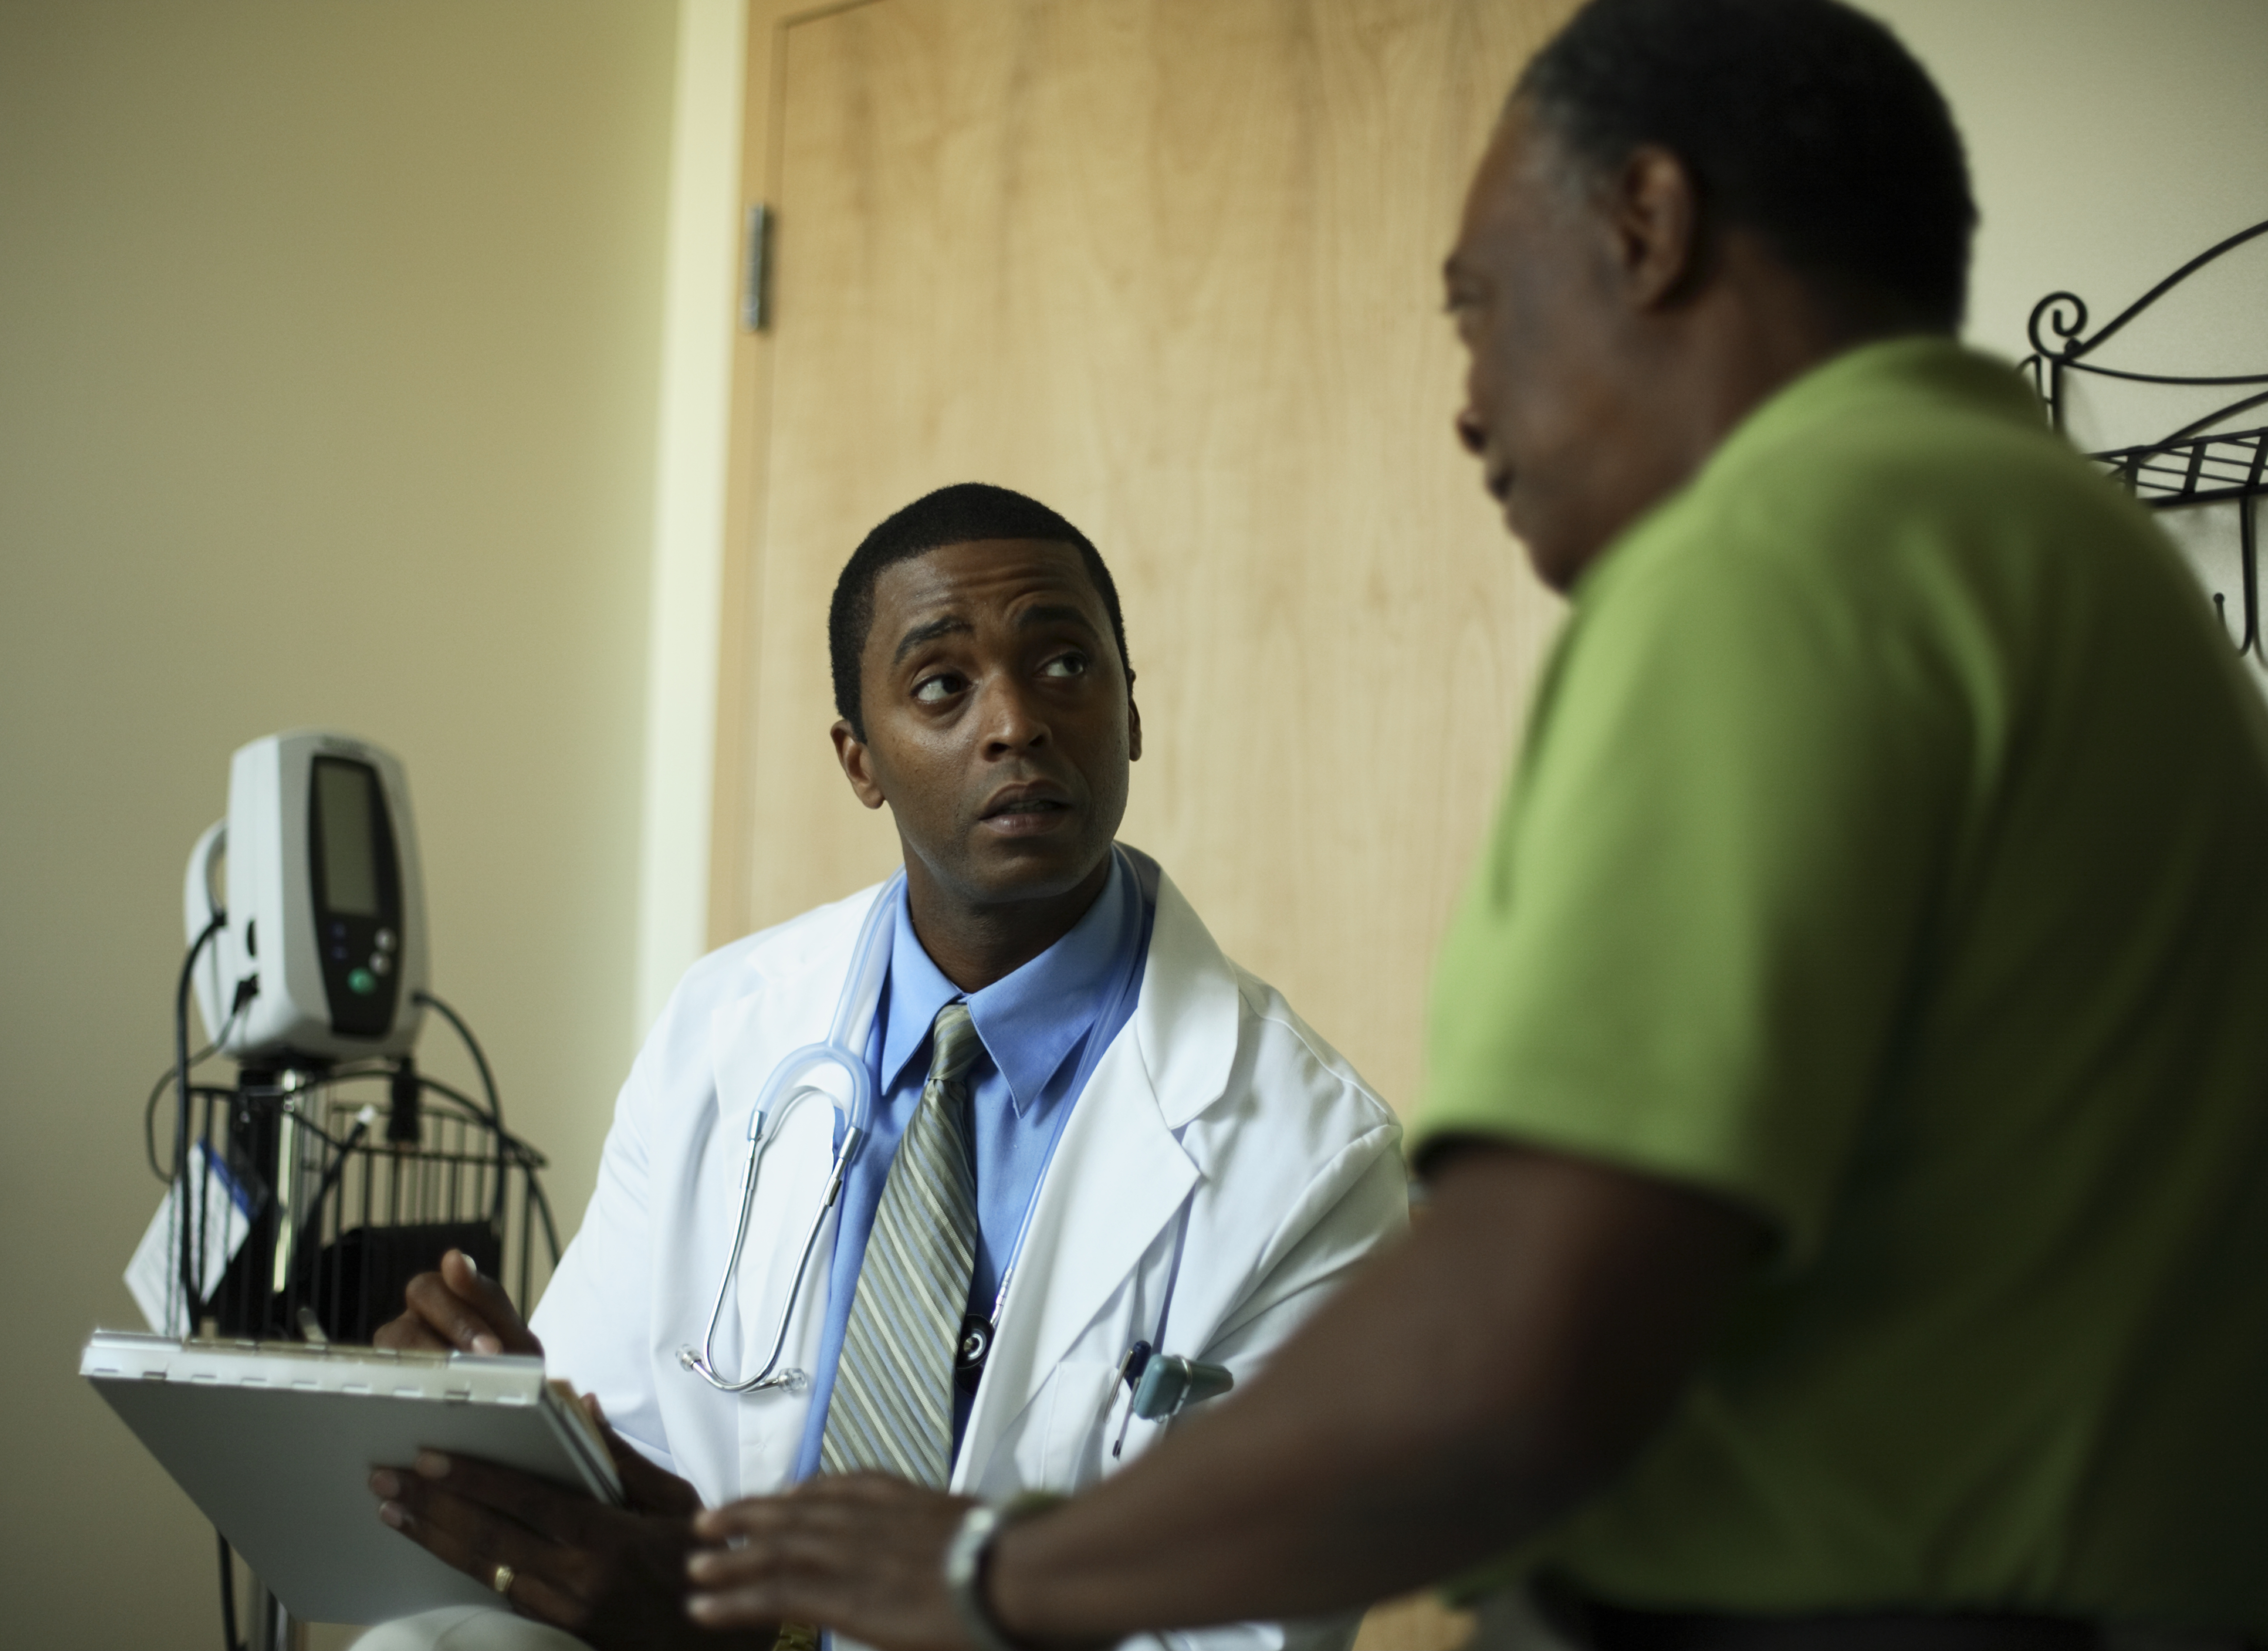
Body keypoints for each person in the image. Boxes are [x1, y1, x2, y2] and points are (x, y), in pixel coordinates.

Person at [681, 2, 2268, 1648]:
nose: (1466, 407)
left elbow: (1519, 1345)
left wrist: (984, 1576)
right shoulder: (2068, 554)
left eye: (1478, 311)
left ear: (1646, 225)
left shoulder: (1776, 563)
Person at [355, 483, 1409, 1651]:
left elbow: (1234, 1635)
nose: (1016, 722)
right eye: (943, 684)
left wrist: (762, 1628)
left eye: (1066, 665)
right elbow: (623, 1447)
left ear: (1131, 715)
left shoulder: (1314, 1156)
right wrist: (515, 1430)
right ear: (860, 760)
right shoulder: (723, 1026)